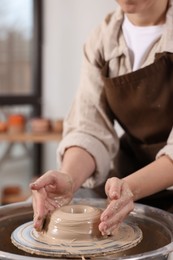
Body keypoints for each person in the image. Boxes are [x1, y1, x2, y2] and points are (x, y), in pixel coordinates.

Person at [30, 0, 173, 236]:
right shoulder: (102, 39)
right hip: (126, 178)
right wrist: (69, 178)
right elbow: (90, 128)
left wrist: (132, 188)